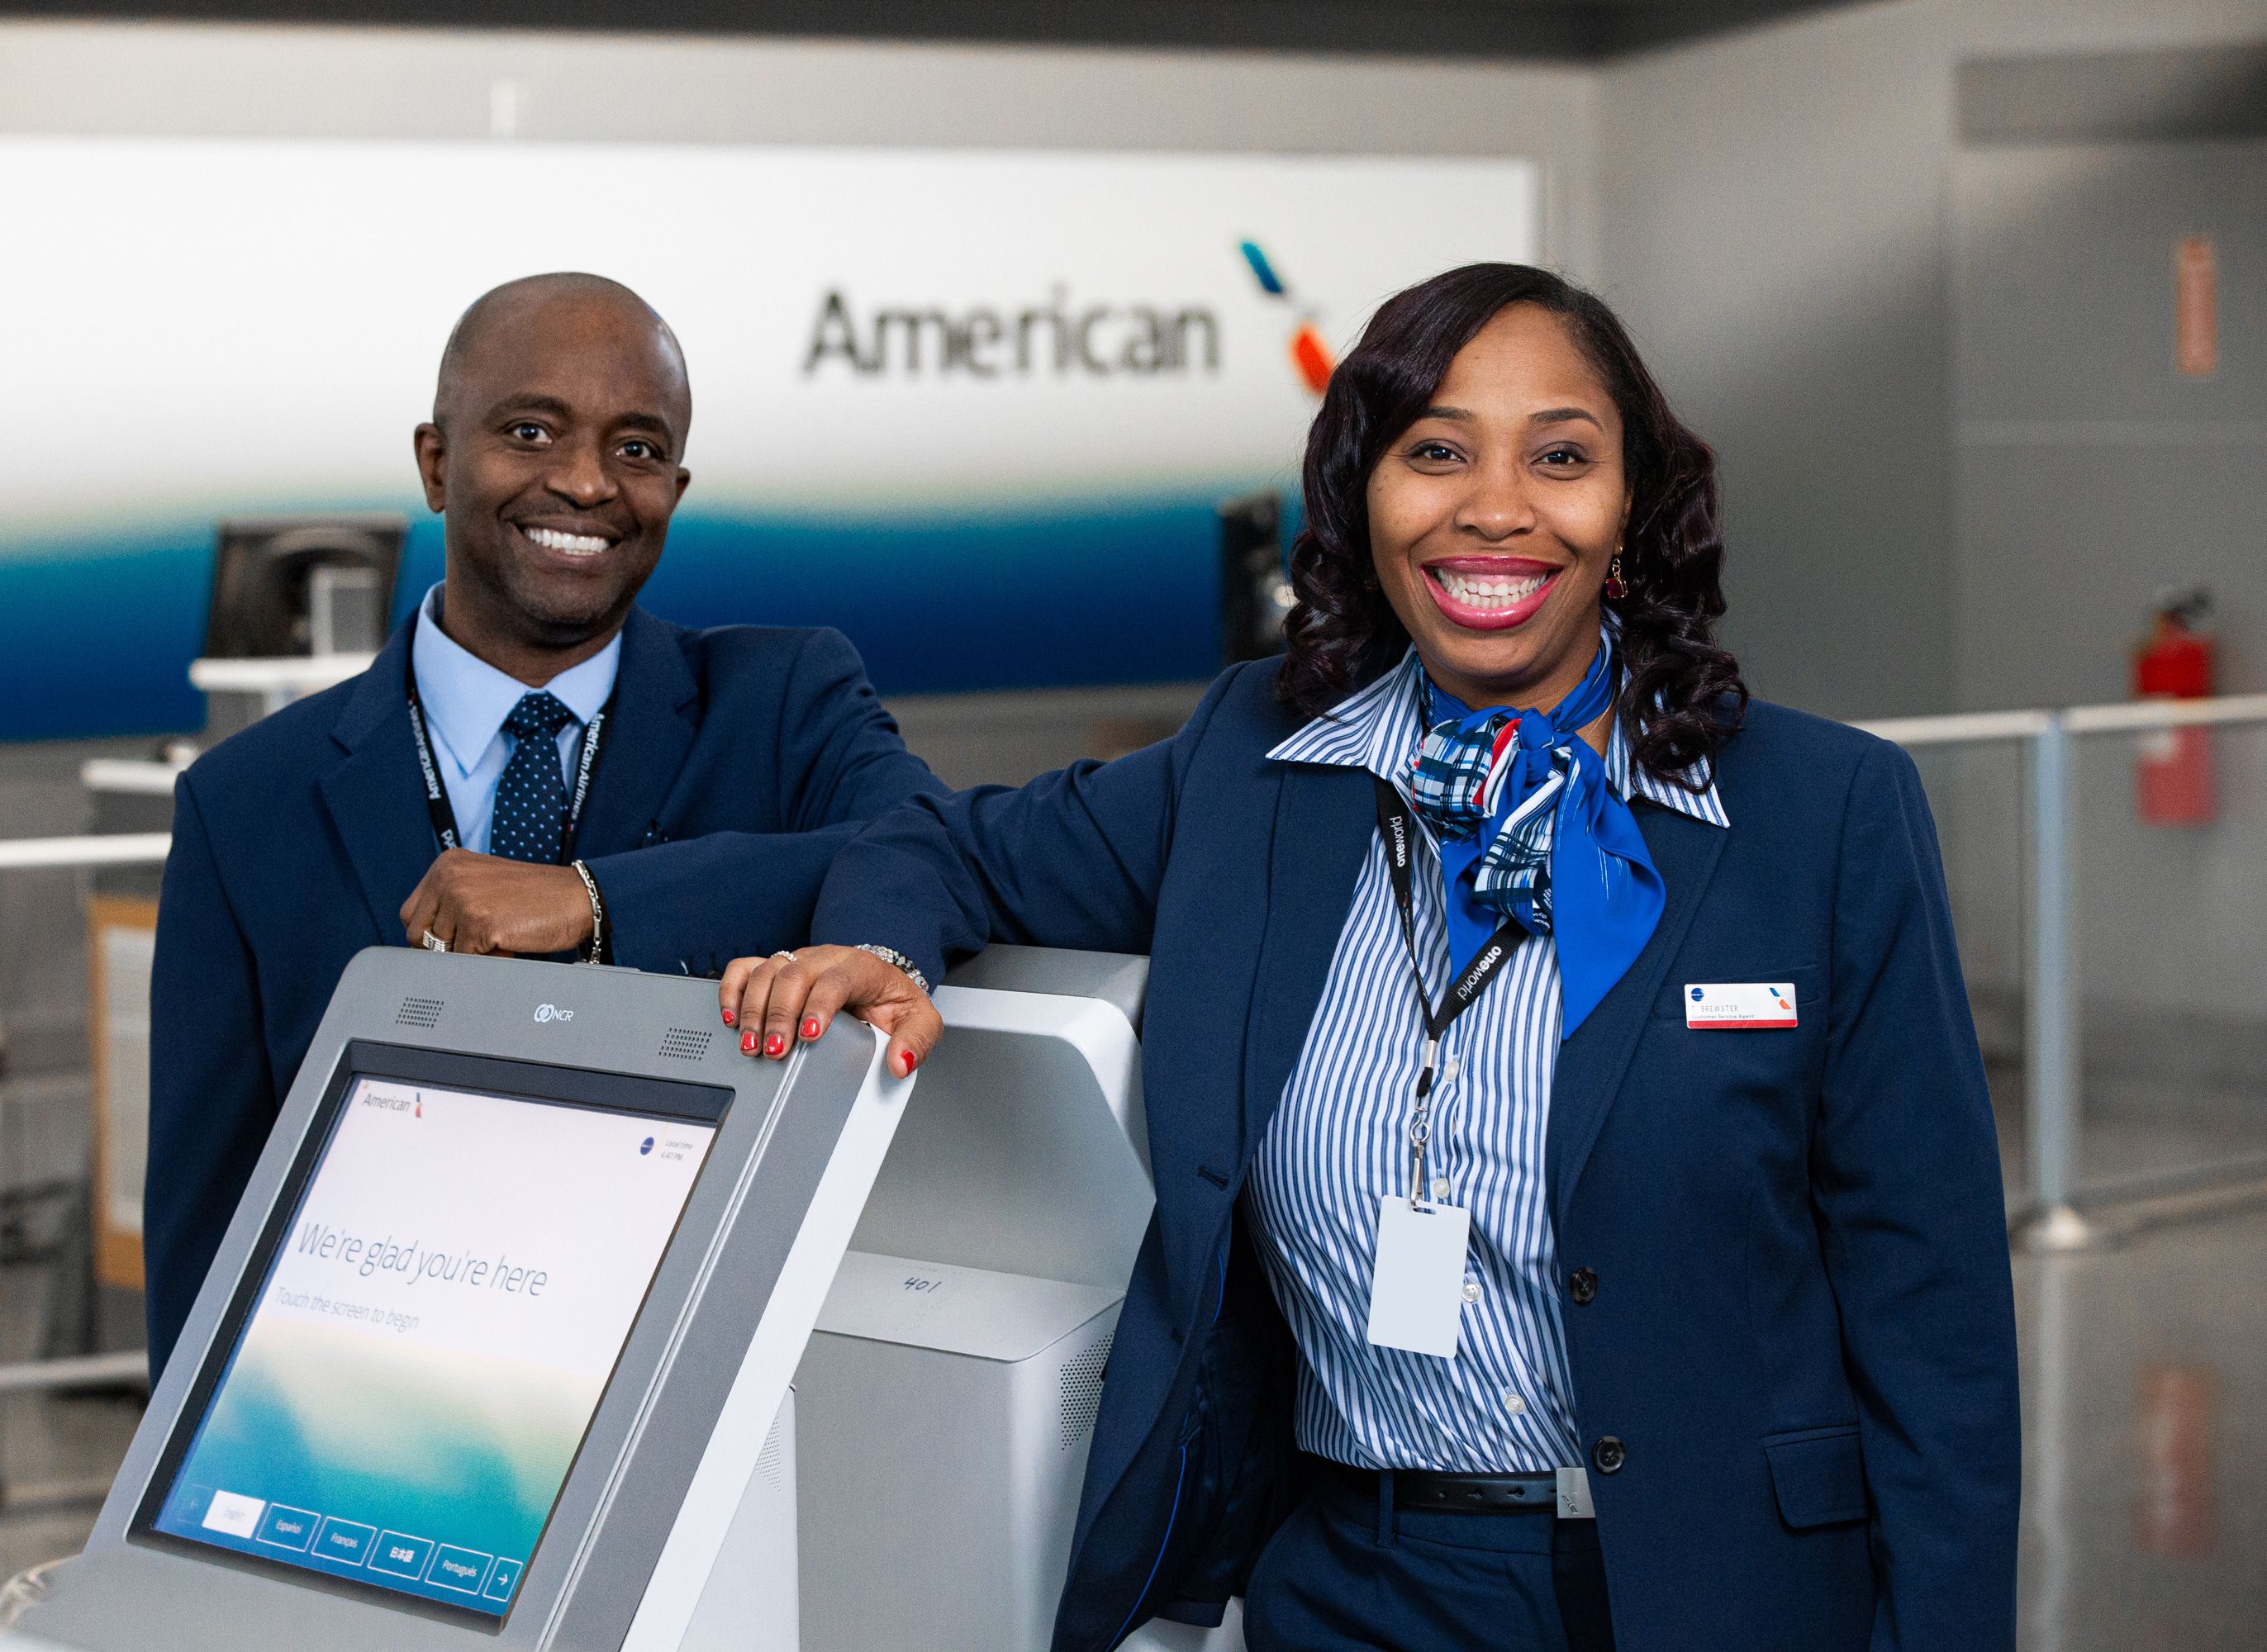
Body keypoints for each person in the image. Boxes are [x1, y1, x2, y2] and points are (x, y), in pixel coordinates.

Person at [724, 264, 2019, 1651]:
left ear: (1633, 503)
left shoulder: (1820, 815)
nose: (1497, 507)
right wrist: (805, 939)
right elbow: (935, 846)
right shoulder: (1251, 766)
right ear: (1363, 493)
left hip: (1725, 1596)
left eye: (1562, 457)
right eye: (1437, 451)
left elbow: (1932, 1315)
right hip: (1357, 1588)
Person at [145, 273, 944, 1375]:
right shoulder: (247, 805)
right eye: (531, 431)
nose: (583, 483)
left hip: (701, 1400)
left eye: (637, 448)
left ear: (676, 482)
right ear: (437, 462)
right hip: (380, 1413)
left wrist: (596, 902)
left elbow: (939, 851)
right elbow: (209, 1234)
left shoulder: (783, 702)